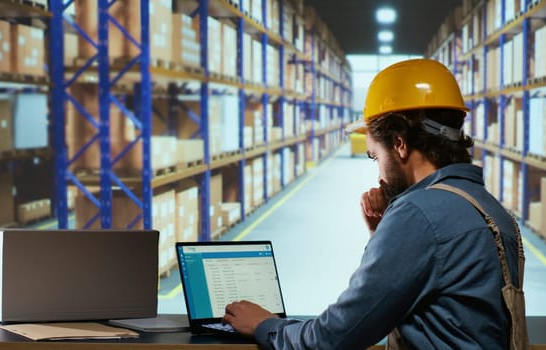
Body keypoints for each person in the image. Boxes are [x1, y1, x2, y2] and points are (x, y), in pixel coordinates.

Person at [223, 58, 528, 349]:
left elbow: (337, 335)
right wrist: (382, 233)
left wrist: (264, 324)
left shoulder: (419, 215)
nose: (378, 170)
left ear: (399, 144)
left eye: (375, 156)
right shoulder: (490, 209)